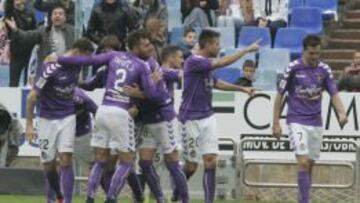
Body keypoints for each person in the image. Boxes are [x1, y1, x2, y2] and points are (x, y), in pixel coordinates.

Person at [56, 29, 167, 203]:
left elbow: (89, 60)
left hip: (103, 110)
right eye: (146, 45)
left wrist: (60, 58)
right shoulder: (142, 65)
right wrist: (153, 81)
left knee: (100, 160)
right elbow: (153, 95)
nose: (150, 48)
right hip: (121, 113)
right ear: (136, 46)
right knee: (127, 162)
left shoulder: (113, 56)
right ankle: (111, 197)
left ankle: (90, 197)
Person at [175, 29, 259, 203]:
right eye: (217, 44)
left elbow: (215, 83)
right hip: (190, 119)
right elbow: (221, 63)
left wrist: (242, 89)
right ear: (207, 45)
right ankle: (179, 189)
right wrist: (245, 50)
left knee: (211, 160)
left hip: (208, 116)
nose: (219, 47)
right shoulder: (194, 61)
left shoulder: (205, 64)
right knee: (191, 166)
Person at [272, 35, 348, 203]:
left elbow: (334, 93)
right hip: (296, 120)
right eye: (312, 53)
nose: (315, 57)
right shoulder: (293, 68)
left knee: (310, 165)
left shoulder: (324, 70)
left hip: (316, 122)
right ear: (304, 51)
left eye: (317, 53)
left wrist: (342, 113)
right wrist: (276, 122)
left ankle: (303, 199)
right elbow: (280, 95)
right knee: (304, 162)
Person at [25, 38, 95, 203]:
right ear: (78, 53)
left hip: (67, 117)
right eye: (86, 58)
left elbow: (76, 82)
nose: (86, 63)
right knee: (48, 164)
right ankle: (57, 196)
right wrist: (29, 125)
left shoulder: (76, 65)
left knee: (65, 158)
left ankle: (67, 201)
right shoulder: (50, 68)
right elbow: (32, 97)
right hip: (47, 119)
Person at [124, 45, 188, 203]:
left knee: (172, 162)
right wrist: (134, 105)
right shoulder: (134, 71)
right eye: (180, 57)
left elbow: (158, 95)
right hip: (146, 121)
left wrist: (139, 93)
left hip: (164, 119)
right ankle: (160, 198)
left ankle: (185, 200)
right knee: (145, 163)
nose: (182, 61)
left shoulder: (160, 70)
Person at [5, 3, 75, 79]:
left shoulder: (73, 32)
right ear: (51, 17)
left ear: (65, 18)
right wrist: (15, 29)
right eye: (55, 14)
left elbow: (82, 52)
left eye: (60, 14)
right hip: (46, 74)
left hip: (66, 73)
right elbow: (26, 36)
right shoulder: (43, 31)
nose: (57, 16)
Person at [4, 0, 37, 86]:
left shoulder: (30, 12)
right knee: (13, 83)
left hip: (29, 53)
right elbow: (8, 4)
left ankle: (27, 99)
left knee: (29, 82)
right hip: (16, 53)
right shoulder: (10, 12)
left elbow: (35, 31)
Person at [0, 102, 23, 167]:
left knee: (13, 147)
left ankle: (4, 168)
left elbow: (14, 148)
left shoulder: (11, 124)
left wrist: (6, 162)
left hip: (10, 126)